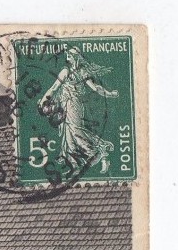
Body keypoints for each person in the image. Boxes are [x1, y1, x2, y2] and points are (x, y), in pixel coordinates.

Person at [38, 46, 119, 174]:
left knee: (76, 130)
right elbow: (54, 88)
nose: (68, 57)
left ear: (77, 57)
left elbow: (95, 88)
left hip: (74, 104)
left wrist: (109, 94)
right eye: (68, 55)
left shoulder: (82, 72)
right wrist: (44, 100)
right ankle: (74, 165)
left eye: (71, 55)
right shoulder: (65, 71)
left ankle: (98, 152)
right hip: (64, 105)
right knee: (68, 135)